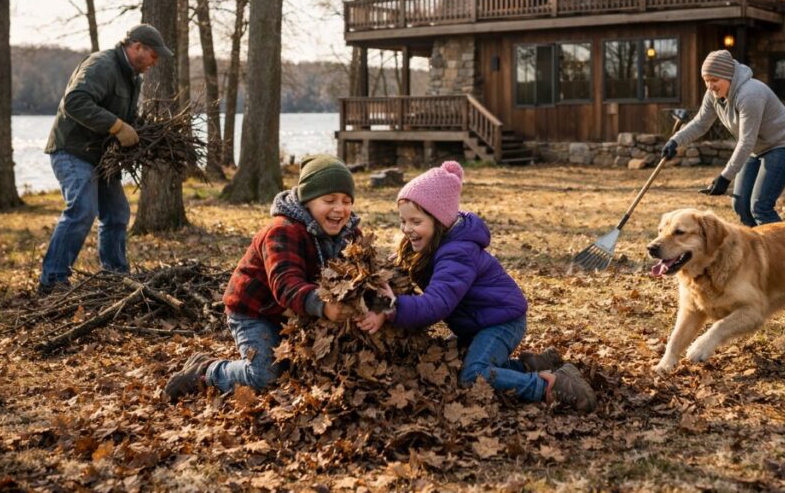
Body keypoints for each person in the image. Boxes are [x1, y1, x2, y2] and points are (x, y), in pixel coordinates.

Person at [355, 161, 597, 413]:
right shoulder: (428, 244)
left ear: (439, 221)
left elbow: (437, 304)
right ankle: (532, 365)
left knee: (473, 375)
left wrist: (391, 307)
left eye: (415, 221)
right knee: (454, 361)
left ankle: (548, 386)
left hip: (501, 321)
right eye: (402, 221)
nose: (407, 229)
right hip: (477, 322)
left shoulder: (457, 255)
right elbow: (398, 266)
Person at [164, 155, 359, 400]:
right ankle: (206, 371)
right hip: (255, 312)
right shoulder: (282, 230)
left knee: (306, 368)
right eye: (329, 200)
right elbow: (286, 284)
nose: (339, 208)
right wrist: (324, 305)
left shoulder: (349, 233)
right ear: (307, 201)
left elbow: (362, 272)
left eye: (346, 201)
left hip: (296, 313)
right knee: (266, 376)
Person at [39, 24, 173, 296]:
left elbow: (127, 117)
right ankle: (52, 281)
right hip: (72, 151)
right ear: (137, 47)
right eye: (153, 55)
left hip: (100, 158)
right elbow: (74, 102)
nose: (155, 62)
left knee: (116, 214)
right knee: (82, 209)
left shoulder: (132, 77)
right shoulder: (102, 65)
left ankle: (115, 277)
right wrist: (117, 126)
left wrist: (144, 130)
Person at [660, 50, 785, 226]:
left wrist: (725, 177)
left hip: (783, 145)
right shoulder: (713, 95)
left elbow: (746, 141)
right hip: (756, 148)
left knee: (760, 207)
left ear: (729, 77)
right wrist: (675, 141)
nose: (710, 85)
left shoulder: (750, 94)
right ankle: (758, 251)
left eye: (714, 80)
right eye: (706, 80)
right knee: (741, 206)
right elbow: (700, 124)